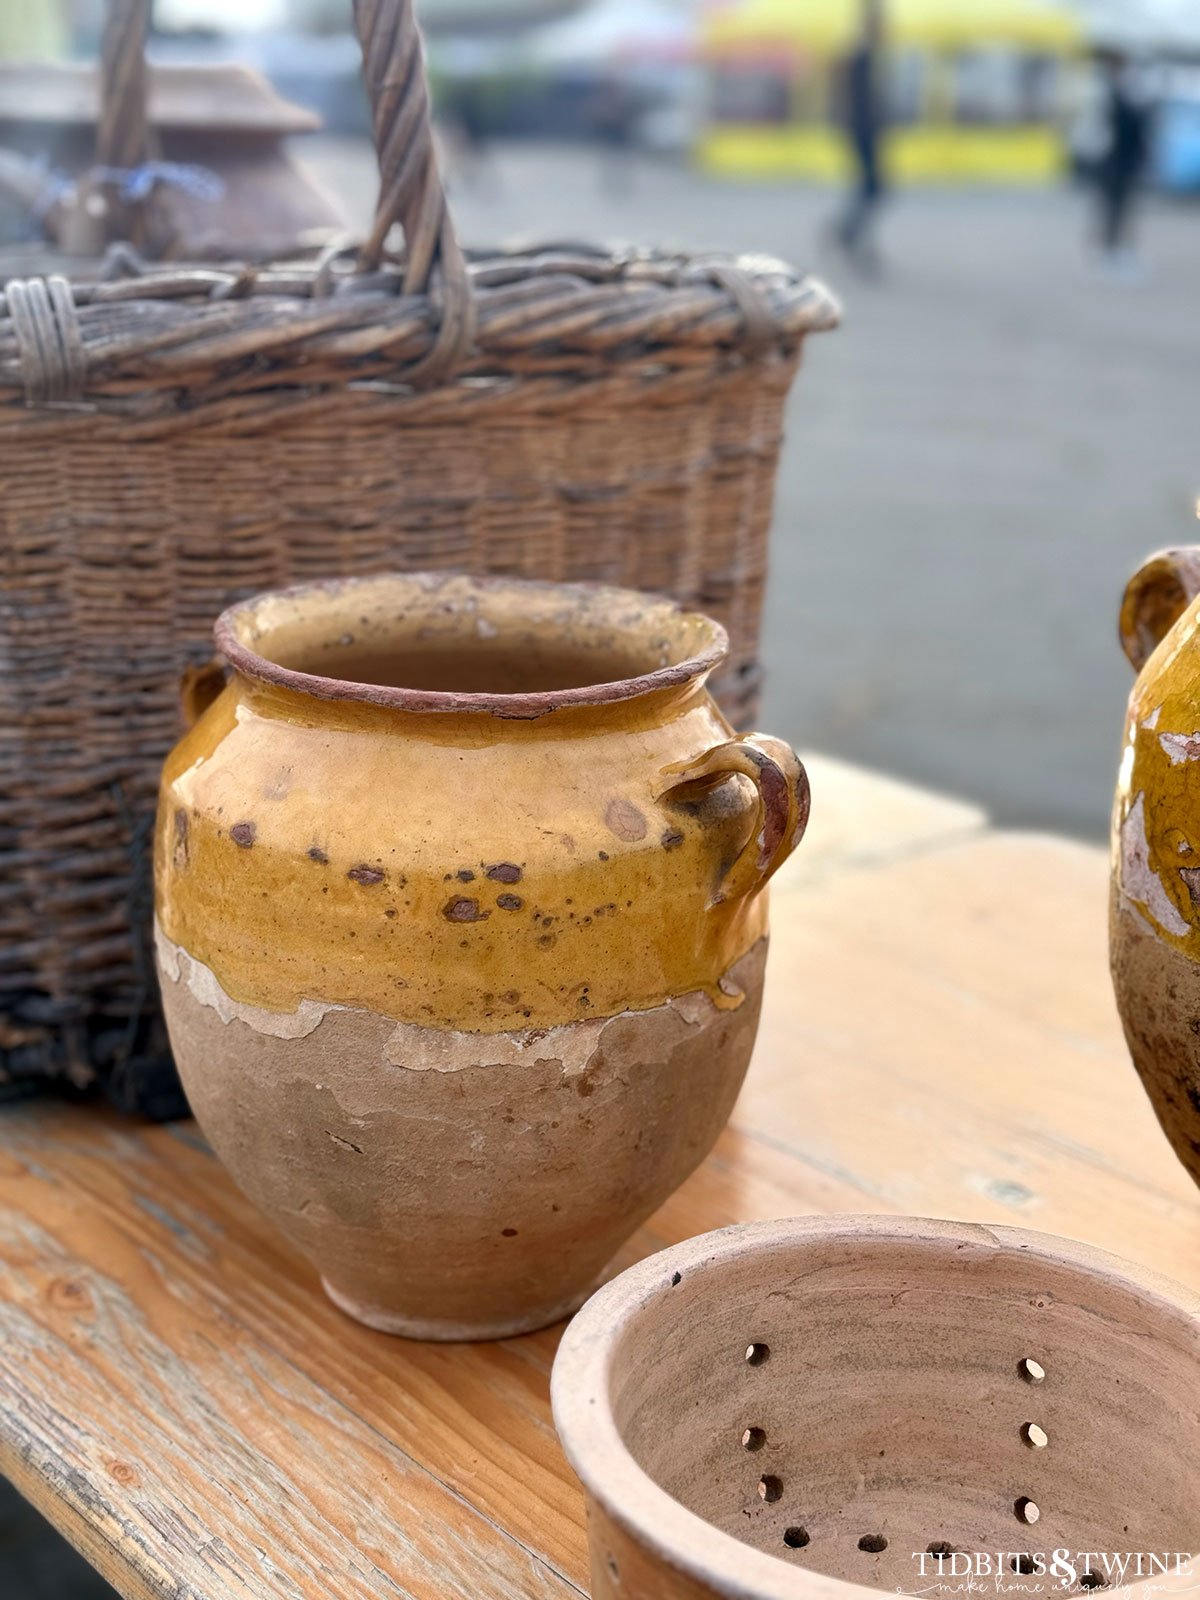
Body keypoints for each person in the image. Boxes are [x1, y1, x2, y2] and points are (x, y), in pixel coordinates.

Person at [832, 0, 887, 274]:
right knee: (874, 189)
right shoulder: (861, 56)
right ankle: (847, 234)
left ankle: (846, 232)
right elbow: (855, 101)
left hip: (866, 133)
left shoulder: (868, 55)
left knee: (872, 189)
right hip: (863, 133)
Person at [1091, 49, 1155, 279]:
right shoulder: (1112, 95)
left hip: (1125, 161)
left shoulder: (1126, 94)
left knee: (1124, 209)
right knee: (1115, 209)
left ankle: (1119, 251)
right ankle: (1110, 253)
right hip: (1115, 161)